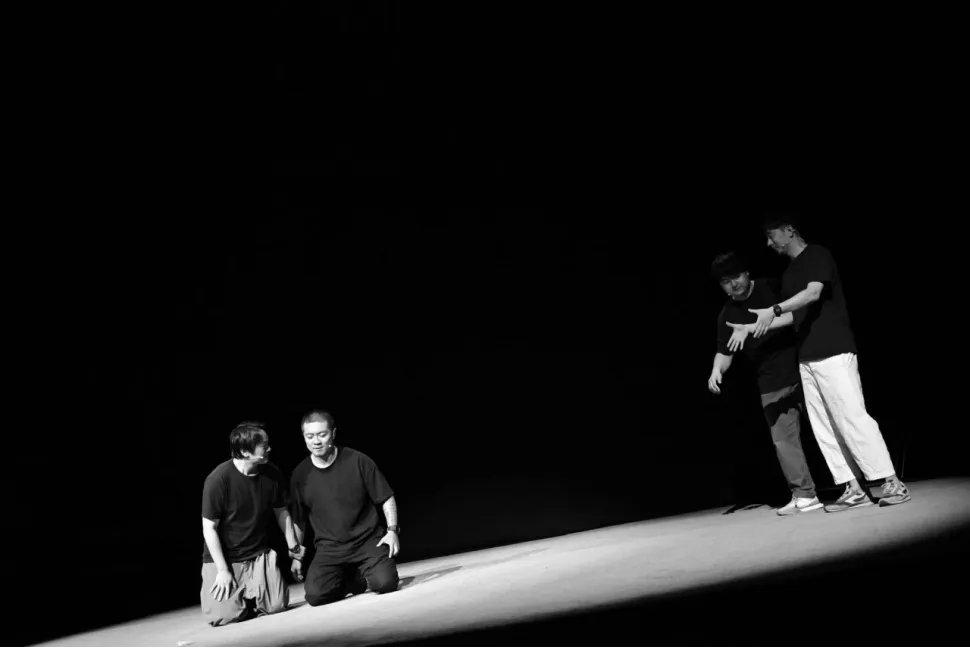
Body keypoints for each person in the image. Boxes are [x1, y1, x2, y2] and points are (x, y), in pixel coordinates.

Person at [727, 214, 910, 512]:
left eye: (772, 236)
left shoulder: (817, 255)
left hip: (834, 349)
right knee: (825, 427)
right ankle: (853, 488)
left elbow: (813, 293)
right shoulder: (789, 273)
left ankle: (891, 482)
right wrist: (751, 327)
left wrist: (774, 309)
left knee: (852, 416)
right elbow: (792, 315)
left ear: (789, 231)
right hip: (807, 358)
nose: (769, 244)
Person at [708, 250, 823, 515]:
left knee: (827, 426)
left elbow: (800, 312)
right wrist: (716, 370)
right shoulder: (727, 314)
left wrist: (765, 323)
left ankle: (854, 483)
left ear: (747, 272)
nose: (733, 284)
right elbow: (724, 351)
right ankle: (804, 495)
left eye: (736, 276)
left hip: (805, 367)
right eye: (725, 281)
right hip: (771, 381)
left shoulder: (772, 287)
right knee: (784, 442)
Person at [289, 410, 401, 606]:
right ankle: (353, 580)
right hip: (330, 549)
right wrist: (297, 557)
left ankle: (365, 575)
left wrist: (392, 531)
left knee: (386, 583)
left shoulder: (357, 460)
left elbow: (385, 496)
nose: (316, 441)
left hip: (367, 541)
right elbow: (299, 520)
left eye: (322, 434)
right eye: (310, 436)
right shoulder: (300, 475)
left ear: (333, 433)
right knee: (315, 596)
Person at [200, 421, 304, 626]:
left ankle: (250, 595)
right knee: (224, 617)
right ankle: (242, 599)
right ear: (245, 452)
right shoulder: (218, 480)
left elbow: (281, 512)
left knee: (277, 606)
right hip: (226, 558)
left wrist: (294, 549)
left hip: (257, 554)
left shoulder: (271, 473)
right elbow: (209, 528)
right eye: (263, 446)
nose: (269, 448)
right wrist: (222, 570)